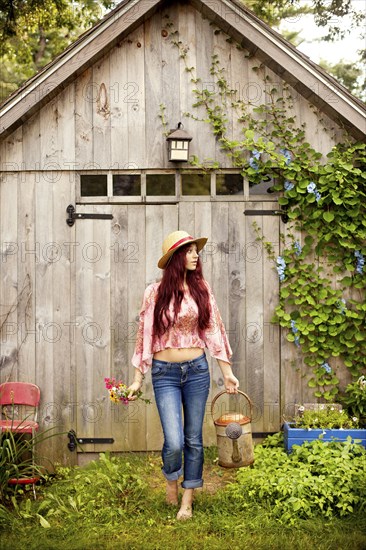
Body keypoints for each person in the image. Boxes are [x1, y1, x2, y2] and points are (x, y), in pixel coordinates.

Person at [127, 230, 239, 520]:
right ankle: (170, 481)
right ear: (176, 257)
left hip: (197, 370)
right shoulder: (154, 293)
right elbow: (145, 335)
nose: (195, 254)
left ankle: (187, 500)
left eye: (195, 250)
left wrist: (227, 373)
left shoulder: (201, 289)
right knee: (174, 440)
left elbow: (213, 330)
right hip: (164, 373)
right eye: (188, 250)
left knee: (193, 438)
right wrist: (139, 377)